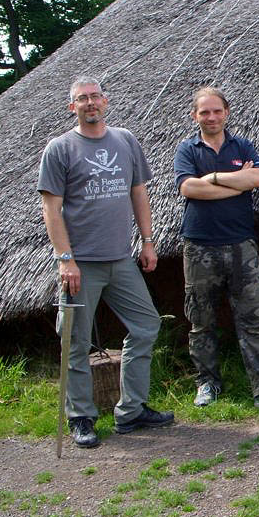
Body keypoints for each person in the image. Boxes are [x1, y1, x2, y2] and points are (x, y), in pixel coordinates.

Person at [37, 76, 174, 448]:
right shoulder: (60, 148)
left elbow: (138, 192)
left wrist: (147, 241)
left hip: (121, 259)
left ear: (106, 101)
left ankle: (131, 411)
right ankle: (81, 417)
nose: (90, 103)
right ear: (73, 107)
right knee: (75, 341)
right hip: (81, 263)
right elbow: (51, 210)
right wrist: (65, 260)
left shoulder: (125, 140)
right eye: (82, 99)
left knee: (146, 325)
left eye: (95, 96)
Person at [174, 88, 259, 414]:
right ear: (195, 115)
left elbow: (255, 179)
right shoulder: (187, 149)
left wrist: (212, 179)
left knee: (254, 318)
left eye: (217, 111)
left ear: (226, 112)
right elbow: (188, 188)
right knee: (201, 320)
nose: (211, 117)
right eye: (204, 112)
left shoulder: (242, 146)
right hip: (199, 245)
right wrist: (232, 183)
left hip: (241, 244)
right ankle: (207, 383)